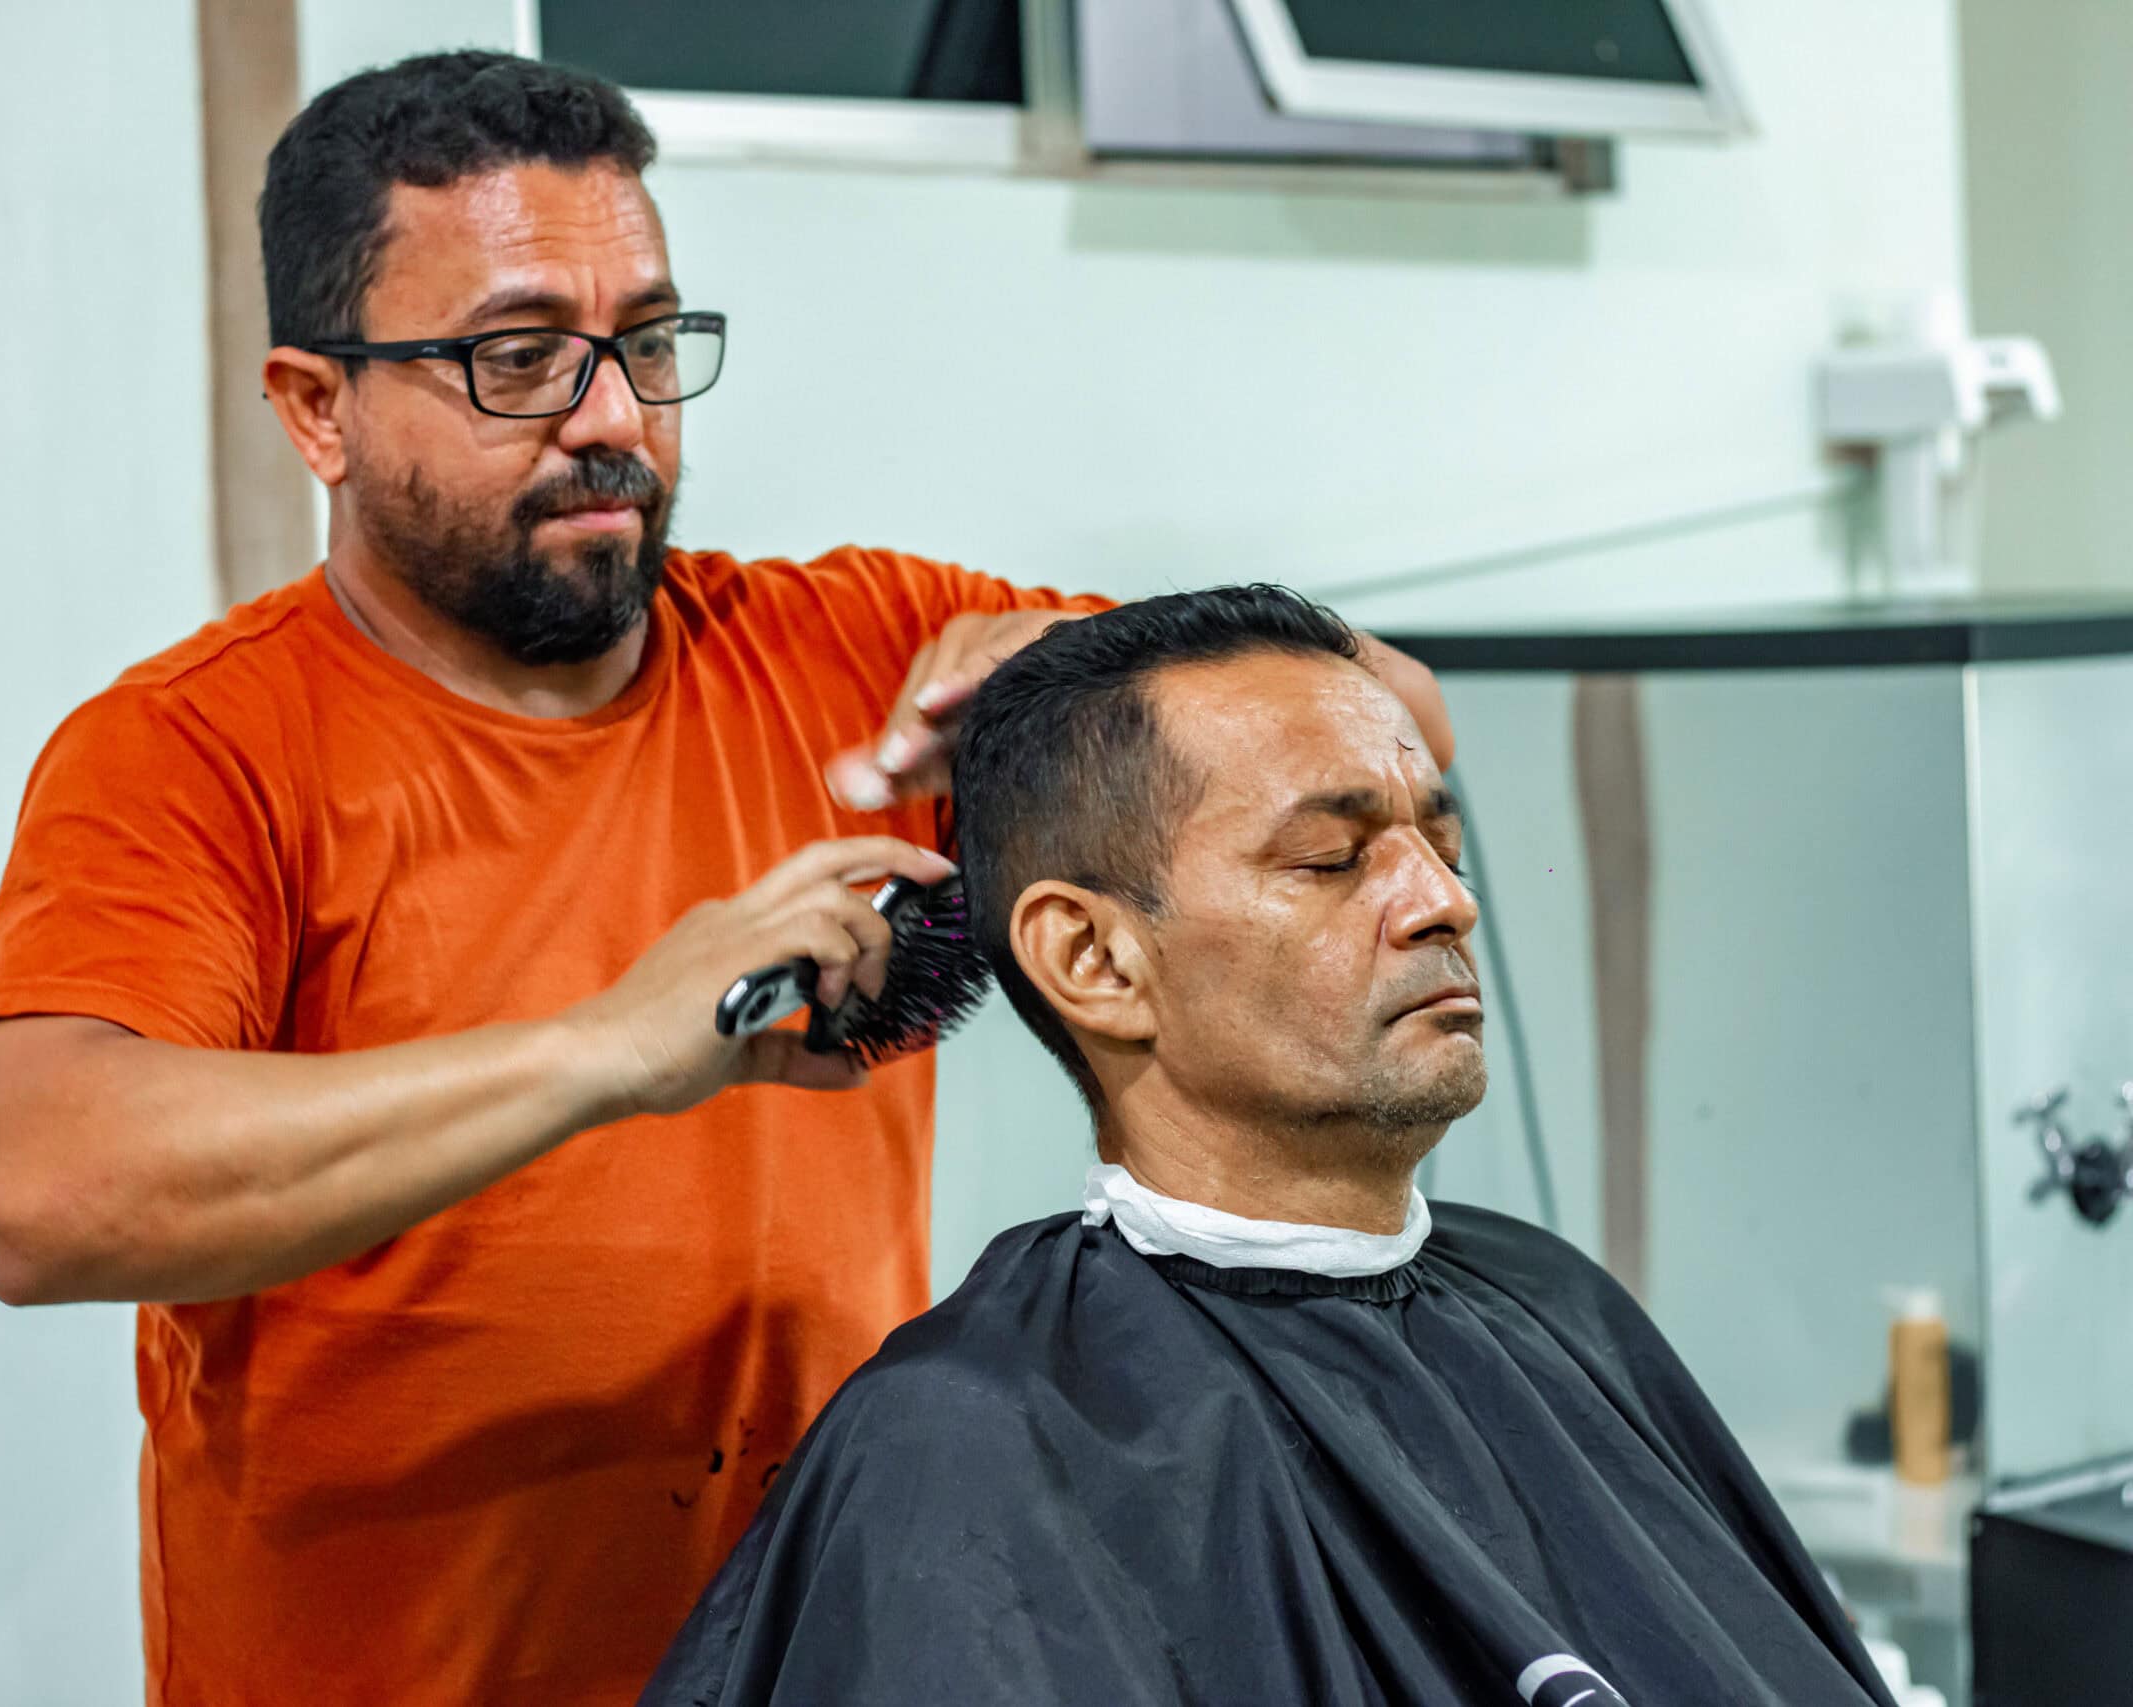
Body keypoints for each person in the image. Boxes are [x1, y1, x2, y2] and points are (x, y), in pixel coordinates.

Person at [0, 52, 1449, 1707]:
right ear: (319, 407)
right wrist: (613, 1046)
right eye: (520, 358)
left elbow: (1400, 733)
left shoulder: (861, 655)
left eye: (649, 345)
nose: (613, 420)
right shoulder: (196, 747)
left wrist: (1079, 660)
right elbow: (44, 1187)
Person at [642, 586, 1894, 1707]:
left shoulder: (1555, 1306)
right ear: (1094, 960)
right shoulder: (972, 1444)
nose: (1445, 901)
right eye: (1331, 859)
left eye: (1441, 844)